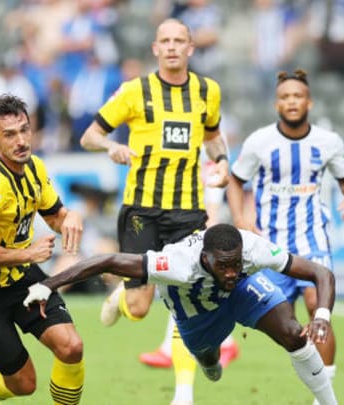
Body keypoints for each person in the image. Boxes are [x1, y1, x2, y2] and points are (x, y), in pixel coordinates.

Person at [79, 18, 230, 405]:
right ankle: (120, 298)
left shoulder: (206, 92)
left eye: (180, 40)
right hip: (141, 211)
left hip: (188, 212)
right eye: (166, 41)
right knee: (140, 307)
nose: (173, 47)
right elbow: (89, 135)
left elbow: (212, 137)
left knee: (186, 297)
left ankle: (183, 394)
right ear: (155, 49)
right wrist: (109, 147)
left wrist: (224, 161)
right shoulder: (135, 91)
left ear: (191, 48)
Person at [23, 223, 339, 405]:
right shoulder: (176, 263)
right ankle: (208, 360)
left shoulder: (252, 250)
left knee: (293, 333)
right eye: (223, 265)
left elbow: (319, 272)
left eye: (235, 263)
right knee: (210, 363)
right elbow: (107, 261)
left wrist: (322, 315)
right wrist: (49, 285)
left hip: (244, 293)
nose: (231, 271)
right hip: (196, 313)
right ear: (205, 258)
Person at [226, 69, 344, 405]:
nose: (291, 102)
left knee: (318, 307)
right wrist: (242, 219)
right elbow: (234, 180)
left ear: (308, 101)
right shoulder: (259, 142)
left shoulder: (328, 142)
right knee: (284, 324)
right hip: (271, 246)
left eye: (297, 96)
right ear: (277, 104)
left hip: (313, 237)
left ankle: (323, 398)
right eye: (285, 97)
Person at [0, 94, 85, 405]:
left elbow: (54, 215)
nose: (21, 141)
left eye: (25, 130)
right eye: (10, 134)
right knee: (24, 384)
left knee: (71, 347)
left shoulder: (35, 168)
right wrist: (28, 254)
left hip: (20, 277)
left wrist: (71, 217)